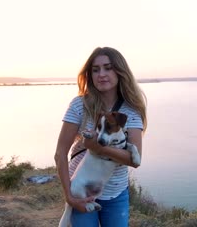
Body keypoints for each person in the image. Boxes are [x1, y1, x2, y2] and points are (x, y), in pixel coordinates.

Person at [54, 47, 147, 226]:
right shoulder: (79, 105)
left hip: (116, 194)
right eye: (95, 70)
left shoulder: (131, 110)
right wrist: (69, 197)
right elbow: (60, 153)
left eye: (108, 67)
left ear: (120, 71)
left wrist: (98, 147)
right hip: (80, 192)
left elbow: (135, 160)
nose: (101, 74)